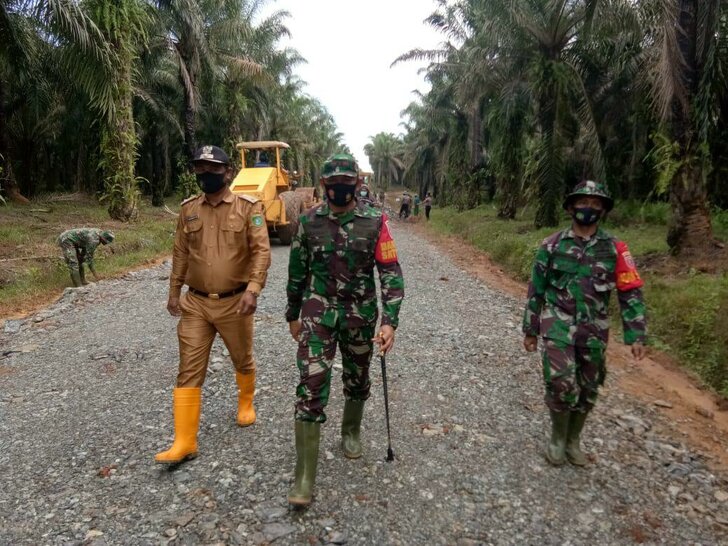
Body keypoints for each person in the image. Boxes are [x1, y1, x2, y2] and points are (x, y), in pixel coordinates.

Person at [285, 152, 404, 507]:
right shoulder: (308, 222)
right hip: (317, 315)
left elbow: (391, 273)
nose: (339, 189)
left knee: (357, 378)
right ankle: (304, 477)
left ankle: (351, 431)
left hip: (360, 315)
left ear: (357, 184)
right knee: (310, 385)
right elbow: (296, 271)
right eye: (333, 184)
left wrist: (389, 321)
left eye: (346, 183)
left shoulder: (376, 221)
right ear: (324, 185)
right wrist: (292, 313)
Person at [155, 145, 272, 465]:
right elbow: (180, 252)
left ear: (228, 172)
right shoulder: (188, 209)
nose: (206, 175)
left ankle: (246, 401)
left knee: (242, 358)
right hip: (196, 303)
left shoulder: (249, 207)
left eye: (213, 169)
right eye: (200, 169)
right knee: (188, 368)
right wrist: (173, 291)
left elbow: (261, 251)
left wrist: (253, 289)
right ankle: (184, 441)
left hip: (235, 302)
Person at [522, 180, 647, 467]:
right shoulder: (552, 245)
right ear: (570, 207)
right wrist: (530, 329)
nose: (588, 208)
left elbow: (630, 291)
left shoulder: (615, 248)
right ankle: (557, 438)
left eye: (595, 204)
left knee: (589, 386)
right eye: (582, 203)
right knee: (560, 382)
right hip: (558, 324)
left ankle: (573, 440)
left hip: (594, 329)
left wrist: (636, 334)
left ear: (603, 210)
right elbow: (536, 289)